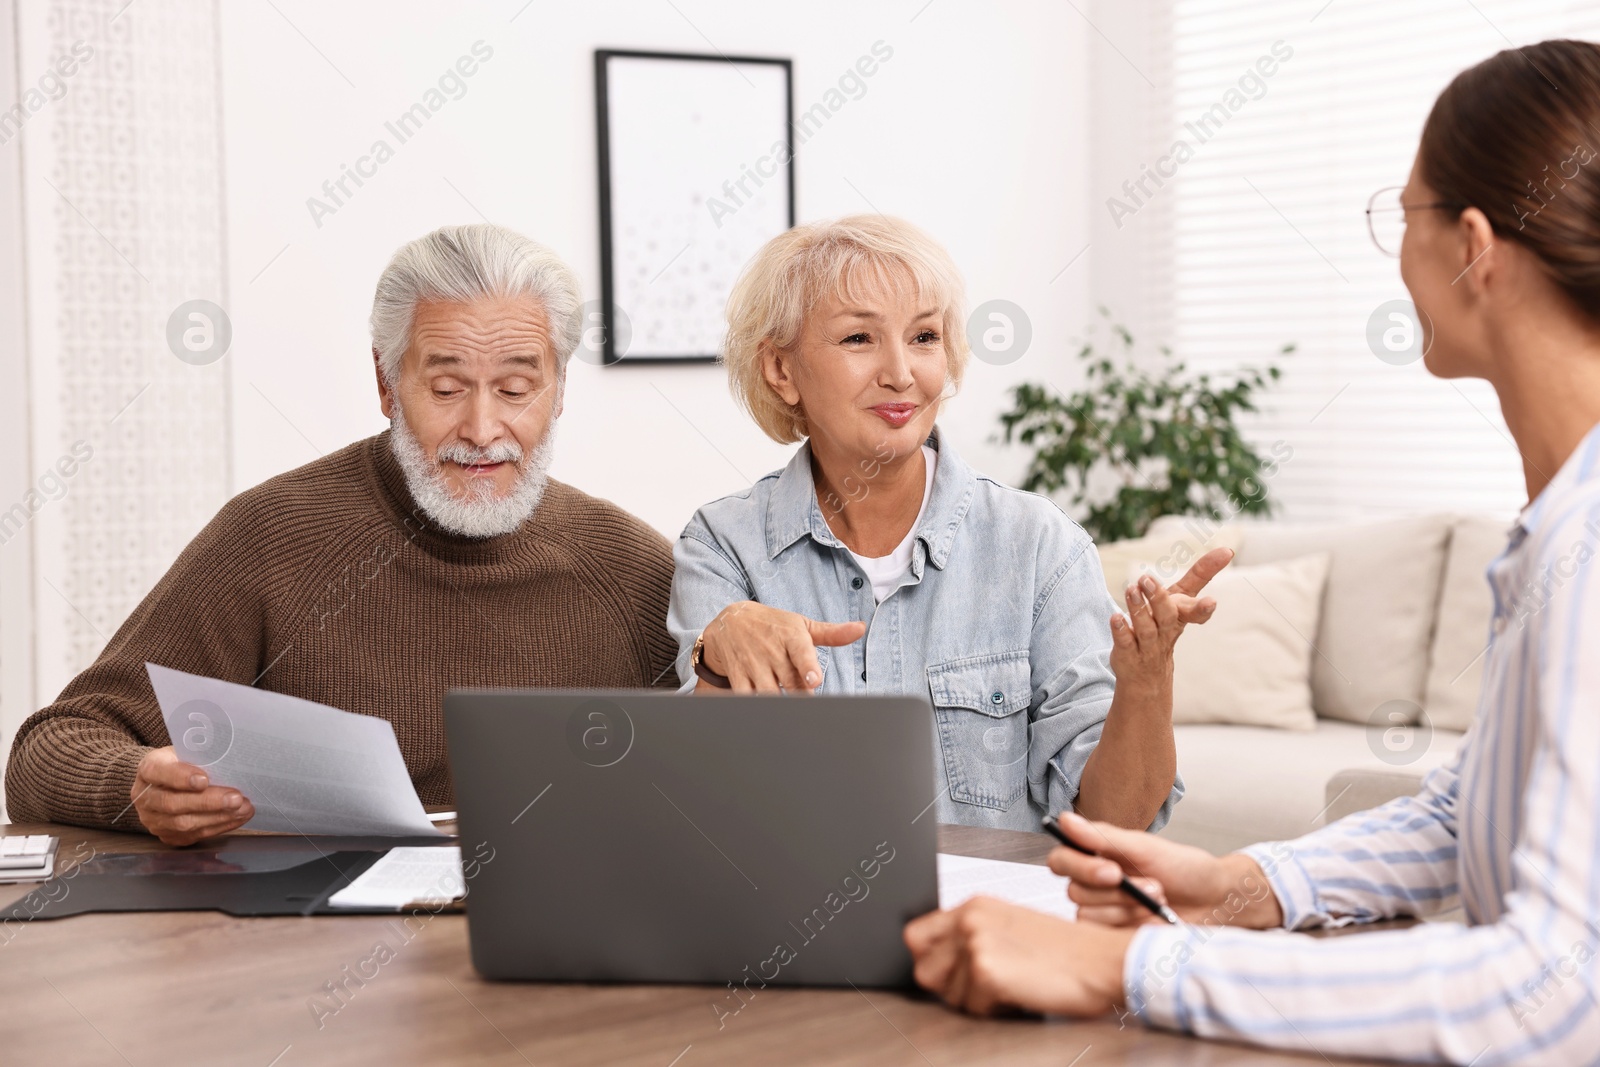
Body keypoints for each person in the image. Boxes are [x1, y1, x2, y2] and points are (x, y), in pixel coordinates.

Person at [903, 39, 1600, 1064]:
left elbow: (1555, 989)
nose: (1396, 257)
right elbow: (1474, 810)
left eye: (1401, 218)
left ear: (1473, 247)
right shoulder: (1552, 527)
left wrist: (1125, 968)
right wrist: (1241, 885)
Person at [5, 224, 678, 845]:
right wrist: (136, 782)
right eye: (445, 388)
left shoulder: (632, 568)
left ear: (558, 393)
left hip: (557, 934)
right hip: (313, 942)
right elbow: (48, 748)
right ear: (387, 384)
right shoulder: (270, 534)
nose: (480, 428)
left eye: (515, 389)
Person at [667, 215, 1231, 832]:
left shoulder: (1040, 544)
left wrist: (1146, 685)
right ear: (781, 370)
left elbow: (1115, 822)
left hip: (993, 923)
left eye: (925, 337)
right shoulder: (724, 546)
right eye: (859, 338)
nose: (901, 373)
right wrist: (717, 655)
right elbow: (705, 805)